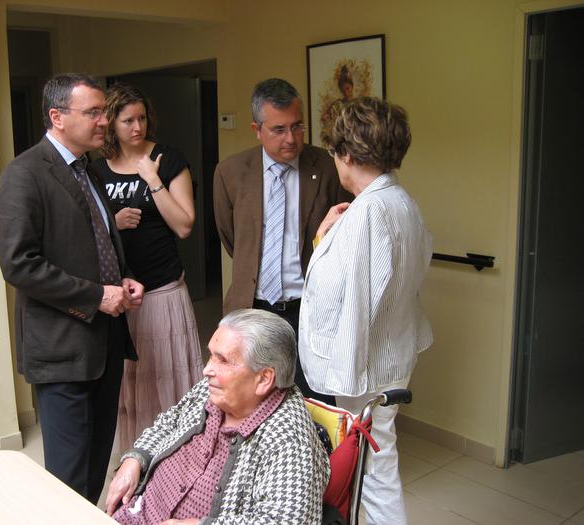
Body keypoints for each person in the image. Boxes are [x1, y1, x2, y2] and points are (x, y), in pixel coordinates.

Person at [0, 73, 144, 504]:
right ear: (57, 117)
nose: (104, 121)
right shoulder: (24, 174)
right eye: (93, 112)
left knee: (95, 467)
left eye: (104, 112)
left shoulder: (87, 170)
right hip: (62, 348)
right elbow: (19, 264)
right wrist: (97, 296)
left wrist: (122, 278)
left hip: (106, 341)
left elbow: (95, 240)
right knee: (67, 479)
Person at [299, 96, 433, 525]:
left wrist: (342, 377)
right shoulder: (400, 201)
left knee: (372, 469)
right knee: (378, 459)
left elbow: (353, 301)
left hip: (364, 365)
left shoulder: (371, 213)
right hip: (387, 354)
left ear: (349, 154)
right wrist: (324, 241)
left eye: (334, 151)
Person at [105, 309, 330, 525]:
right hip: (137, 512)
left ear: (263, 379)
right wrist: (135, 459)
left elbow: (286, 521)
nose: (207, 370)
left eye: (222, 360)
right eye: (211, 355)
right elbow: (171, 421)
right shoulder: (214, 389)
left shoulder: (288, 442)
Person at [213, 78, 350, 403]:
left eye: (297, 126)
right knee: (252, 400)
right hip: (254, 308)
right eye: (278, 129)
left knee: (315, 400)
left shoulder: (328, 167)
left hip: (309, 307)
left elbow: (344, 233)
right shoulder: (231, 172)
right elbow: (232, 239)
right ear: (257, 129)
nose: (291, 138)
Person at [92, 82, 203, 453]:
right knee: (131, 387)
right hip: (120, 296)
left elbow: (184, 225)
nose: (137, 127)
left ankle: (178, 462)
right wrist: (114, 223)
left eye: (141, 118)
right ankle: (137, 462)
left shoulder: (168, 160)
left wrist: (153, 181)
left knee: (169, 383)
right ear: (112, 123)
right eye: (128, 121)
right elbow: (86, 234)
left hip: (163, 290)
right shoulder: (97, 170)